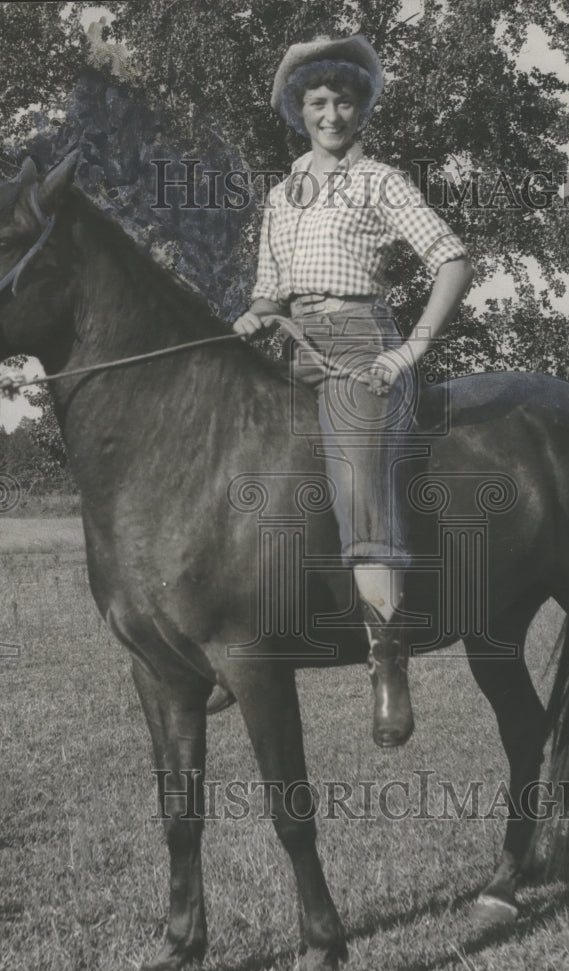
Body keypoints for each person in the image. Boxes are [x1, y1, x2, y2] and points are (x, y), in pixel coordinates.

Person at [220, 34, 474, 747]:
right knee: (240, 472)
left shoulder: (380, 180)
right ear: (298, 110)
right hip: (291, 348)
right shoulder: (281, 193)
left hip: (363, 349)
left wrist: (410, 349)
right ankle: (233, 630)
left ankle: (387, 663)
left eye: (343, 101)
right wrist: (252, 315)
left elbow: (450, 256)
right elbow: (271, 294)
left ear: (361, 108)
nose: (331, 114)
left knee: (360, 488)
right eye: (317, 102)